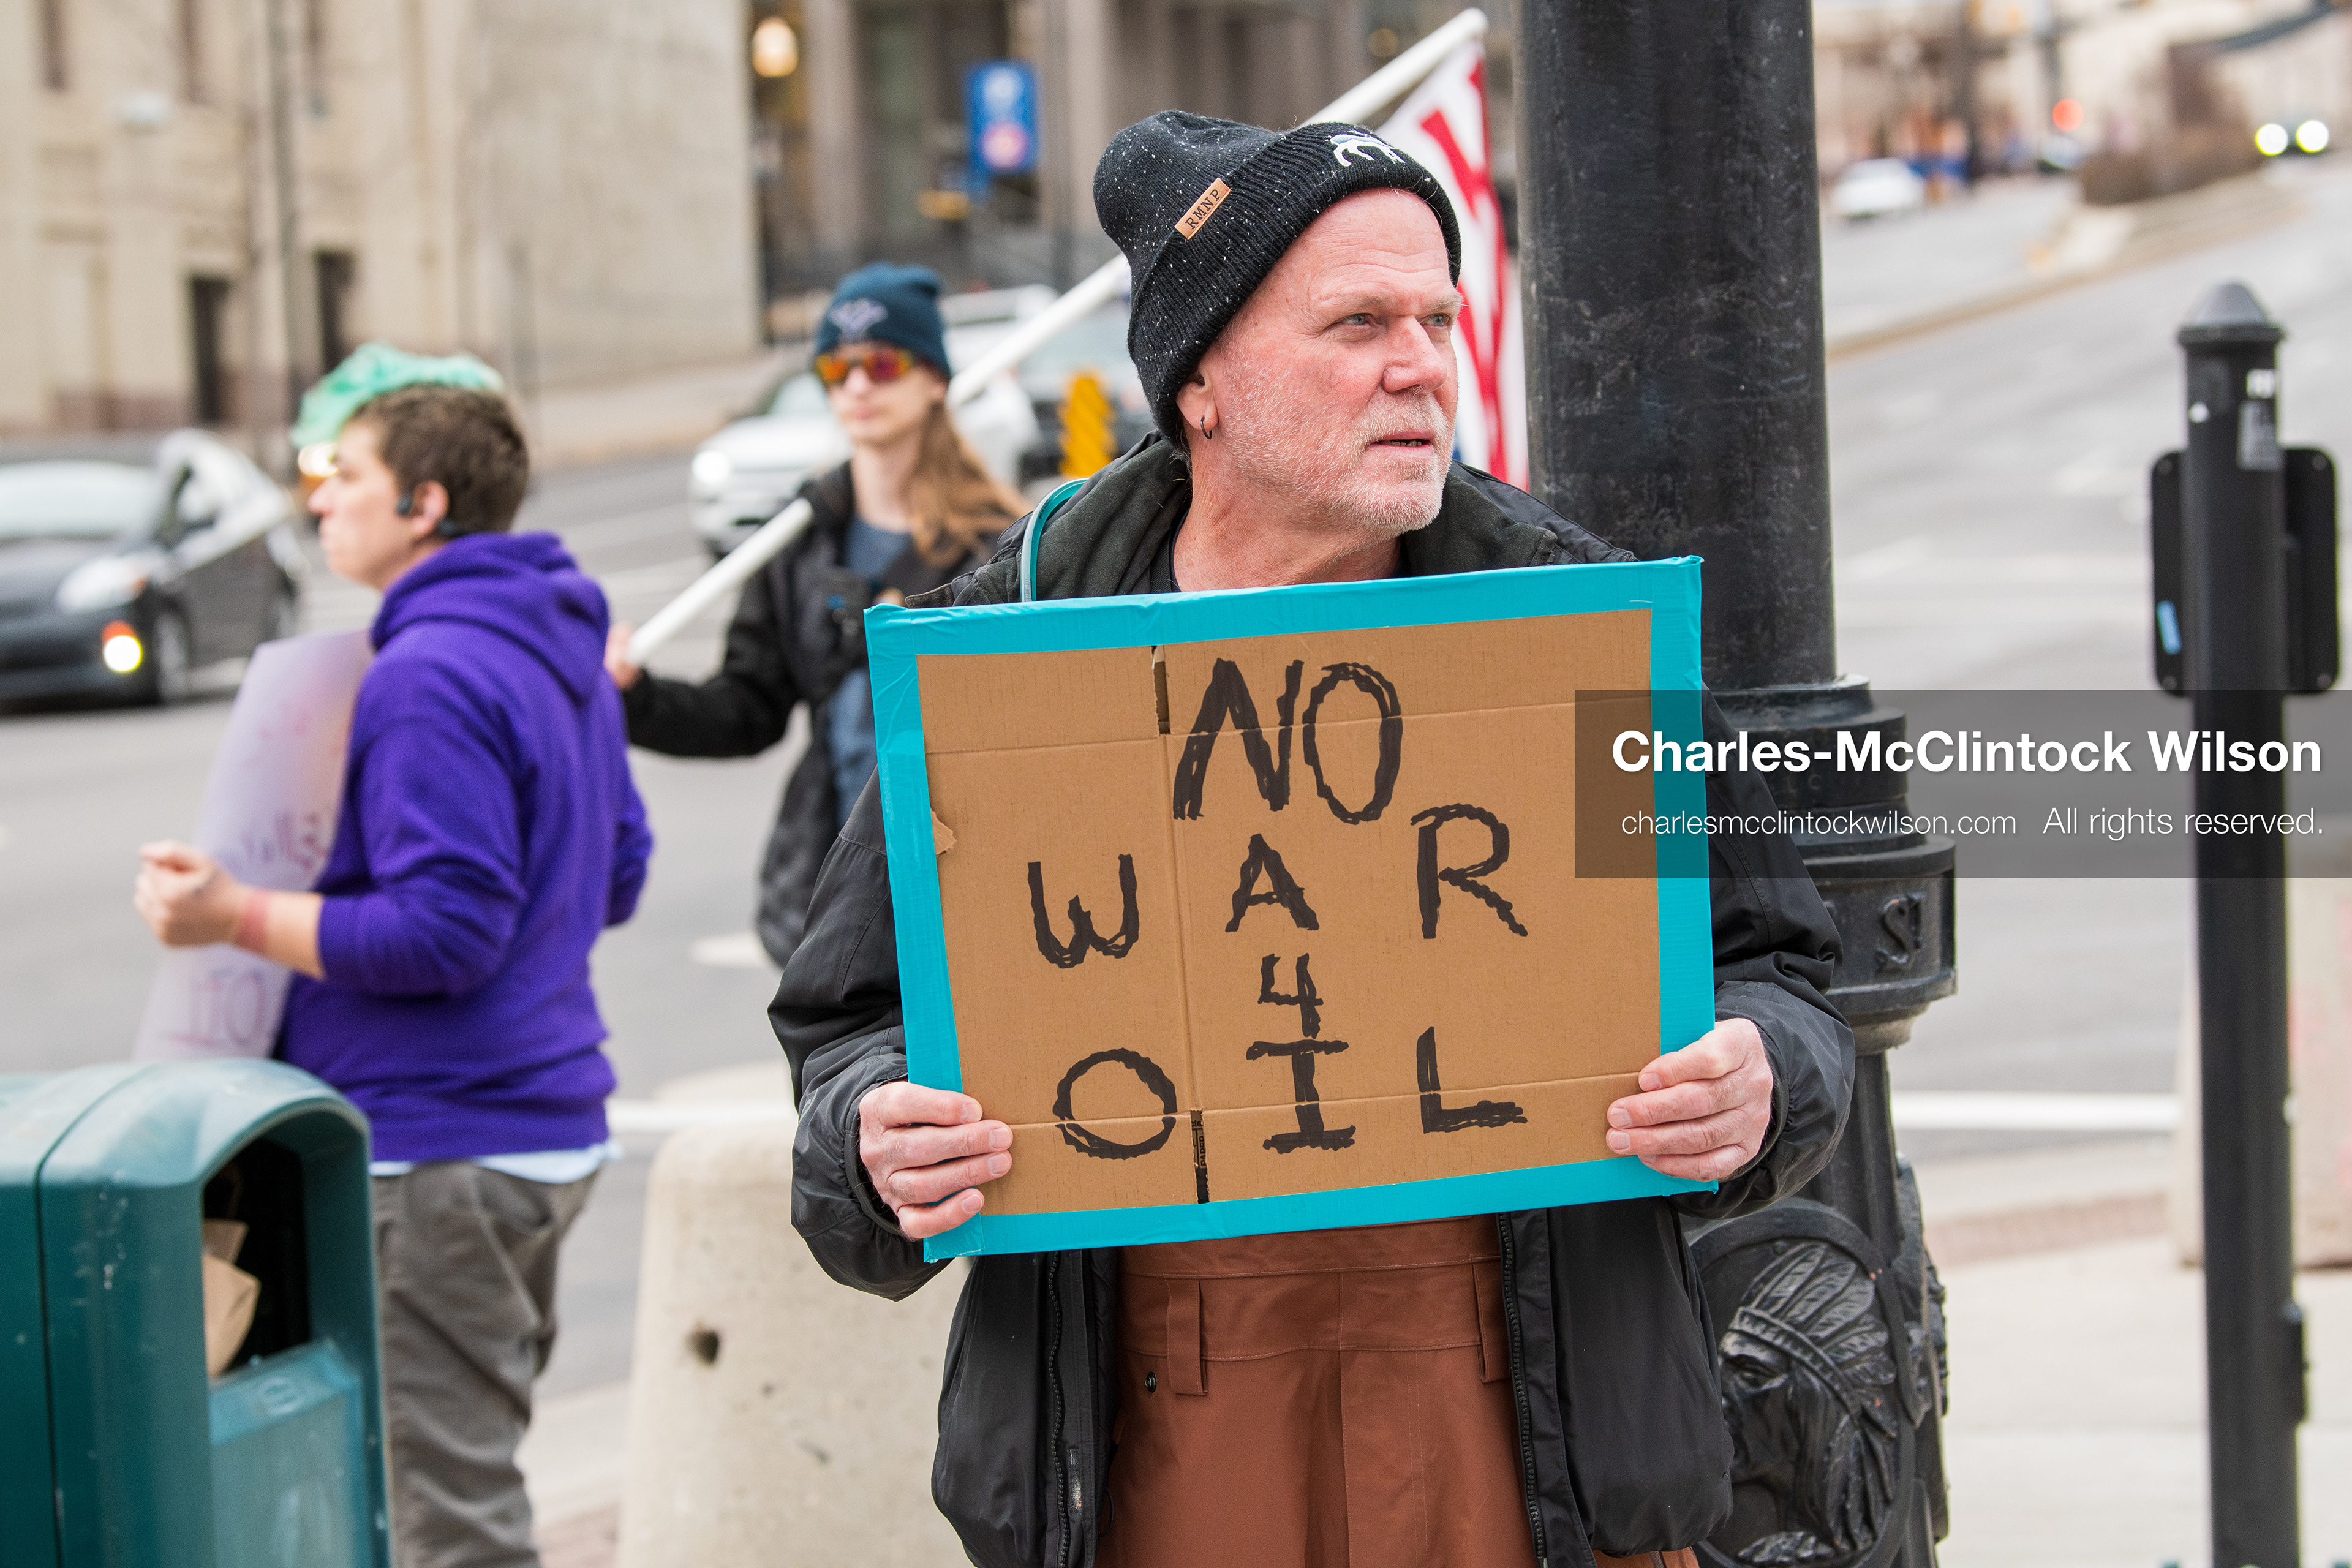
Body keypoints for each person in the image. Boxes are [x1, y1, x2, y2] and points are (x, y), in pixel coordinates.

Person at [775, 111, 1856, 1568]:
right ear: (1200, 379)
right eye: (1356, 322)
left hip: (1521, 1423)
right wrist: (873, 1138)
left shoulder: (1574, 633)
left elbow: (1778, 971)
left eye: (1433, 318)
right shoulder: (999, 652)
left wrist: (1760, 1078)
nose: (1420, 363)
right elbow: (846, 1024)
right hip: (1158, 1416)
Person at [134, 382, 652, 1568]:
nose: (319, 495)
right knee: (443, 1482)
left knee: (444, 1519)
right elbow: (614, 871)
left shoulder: (426, 670)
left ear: (423, 503)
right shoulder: (556, 639)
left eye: (344, 473)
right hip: (531, 1131)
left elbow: (444, 933)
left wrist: (233, 912)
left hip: (439, 1154)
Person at [604, 263, 1021, 965]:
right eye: (837, 367)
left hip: (968, 868)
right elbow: (746, 709)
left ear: (934, 379)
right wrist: (635, 699)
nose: (858, 385)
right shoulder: (798, 542)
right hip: (840, 881)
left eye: (883, 363)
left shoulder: (1000, 543)